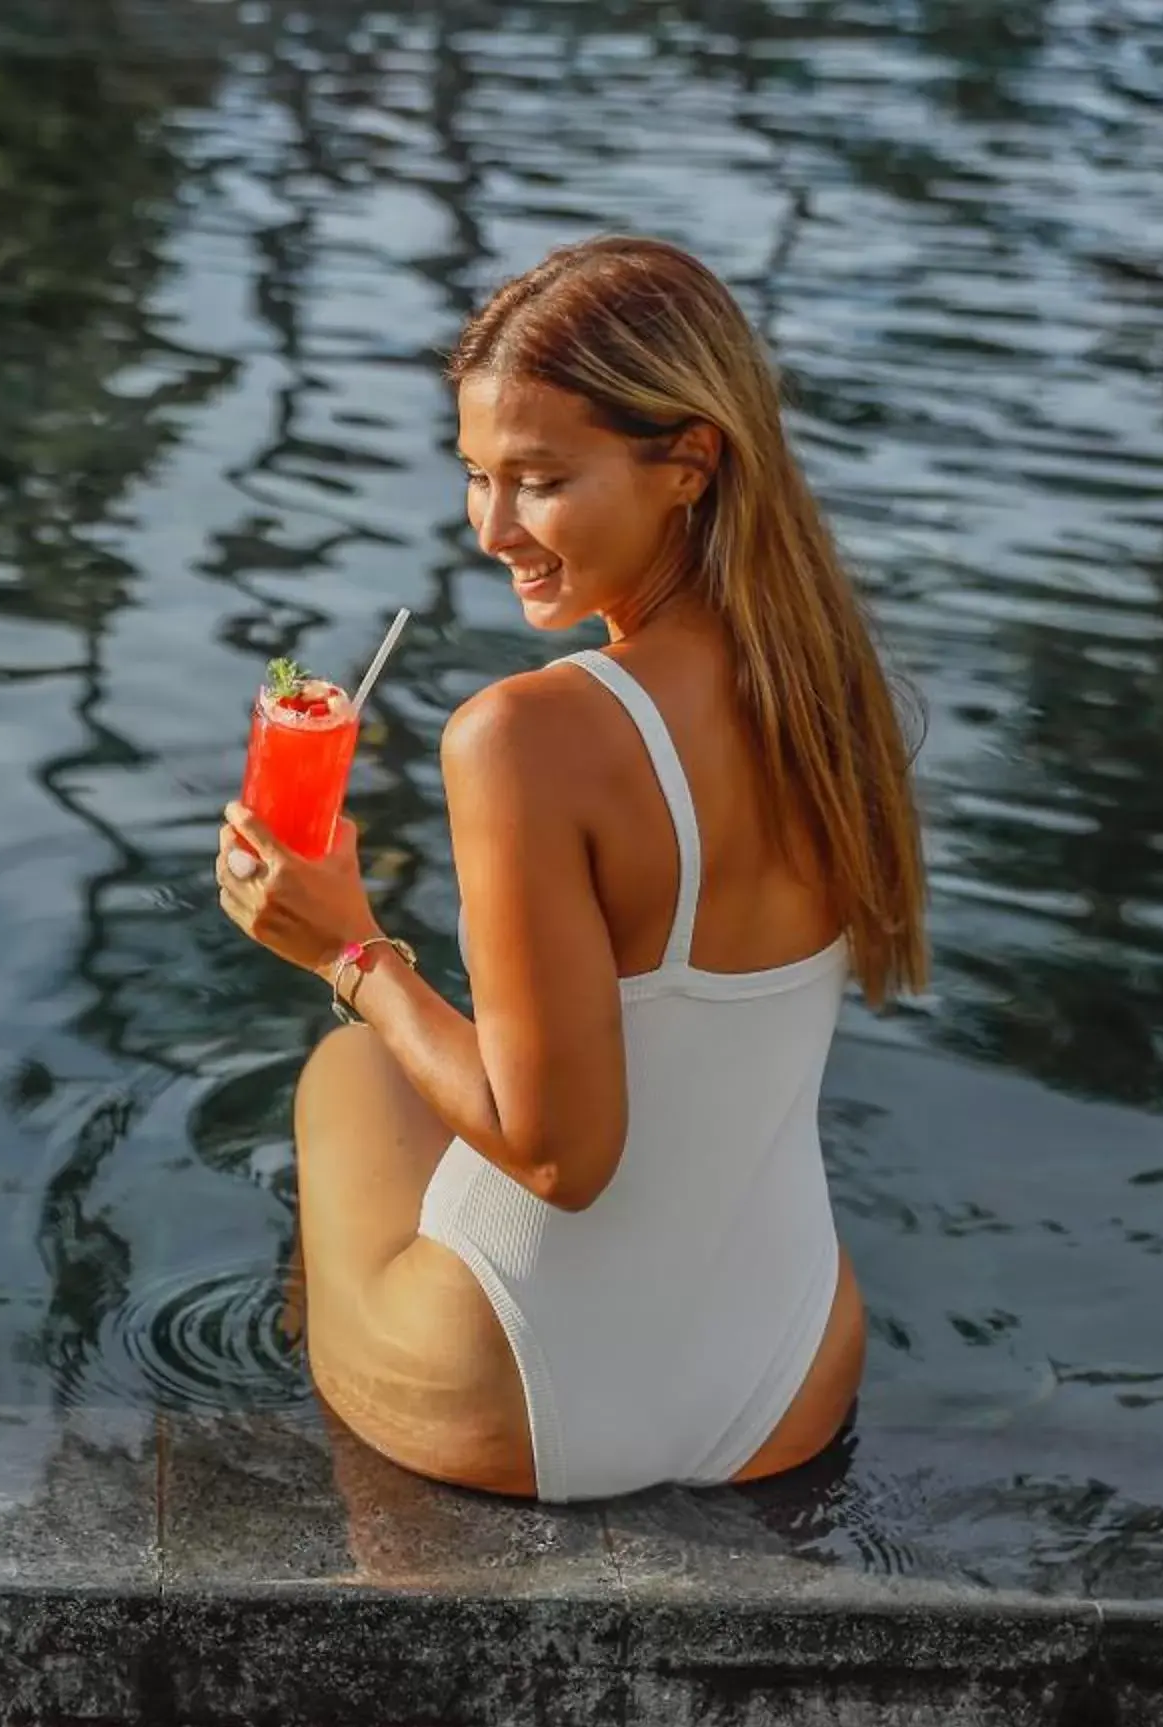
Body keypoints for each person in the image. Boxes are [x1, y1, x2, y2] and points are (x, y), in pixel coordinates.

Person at [214, 235, 928, 1503]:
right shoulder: (834, 689)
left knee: (345, 1068)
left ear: (687, 464)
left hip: (526, 1399)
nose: (491, 527)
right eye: (477, 475)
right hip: (791, 1374)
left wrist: (346, 950)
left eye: (539, 480)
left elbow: (561, 1157)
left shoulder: (523, 735)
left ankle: (293, 1400)